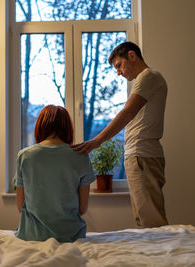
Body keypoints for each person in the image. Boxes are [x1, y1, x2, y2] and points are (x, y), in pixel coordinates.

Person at [72, 41, 168, 228]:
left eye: (119, 65)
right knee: (143, 220)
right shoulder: (145, 80)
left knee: (151, 222)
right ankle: (149, 255)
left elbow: (127, 112)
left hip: (143, 155)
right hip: (139, 156)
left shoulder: (149, 77)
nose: (119, 72)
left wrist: (97, 141)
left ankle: (161, 255)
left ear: (131, 56)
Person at [13, 105, 95, 242]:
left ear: (41, 126)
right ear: (68, 127)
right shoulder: (81, 156)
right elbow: (82, 208)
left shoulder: (24, 156)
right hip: (71, 236)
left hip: (32, 236)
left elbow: (20, 206)